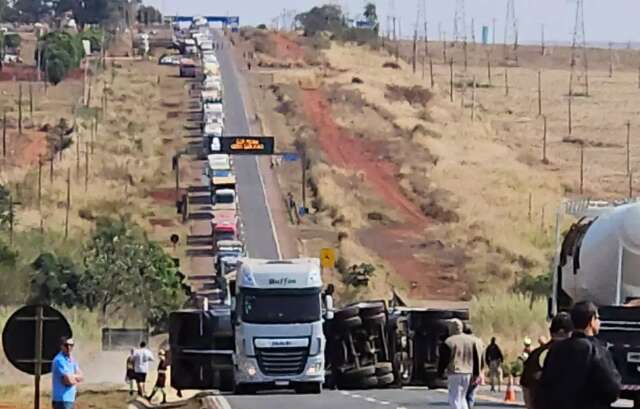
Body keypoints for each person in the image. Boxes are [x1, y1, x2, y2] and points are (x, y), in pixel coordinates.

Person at [539, 301, 622, 409]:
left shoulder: (556, 349)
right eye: (597, 318)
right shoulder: (597, 350)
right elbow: (612, 388)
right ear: (591, 321)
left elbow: (544, 385)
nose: (599, 322)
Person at [520, 312, 573, 409]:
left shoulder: (536, 354)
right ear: (564, 332)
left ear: (550, 331)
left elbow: (526, 386)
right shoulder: (574, 353)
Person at [438, 319, 478, 409]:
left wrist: (440, 372)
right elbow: (476, 358)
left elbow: (444, 359)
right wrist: (476, 373)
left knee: (454, 398)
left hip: (454, 372)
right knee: (462, 397)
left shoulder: (449, 341)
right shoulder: (471, 340)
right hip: (468, 372)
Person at [52, 337, 83, 409]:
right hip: (62, 400)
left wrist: (72, 377)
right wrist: (75, 378)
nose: (69, 347)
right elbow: (68, 381)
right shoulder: (59, 360)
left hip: (70, 399)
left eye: (71, 345)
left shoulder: (72, 359)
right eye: (66, 345)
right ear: (61, 346)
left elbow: (81, 377)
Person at [463, 324, 484, 409]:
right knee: (471, 395)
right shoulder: (479, 342)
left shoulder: (463, 342)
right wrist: (481, 371)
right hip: (477, 372)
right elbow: (482, 358)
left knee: (463, 396)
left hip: (465, 371)